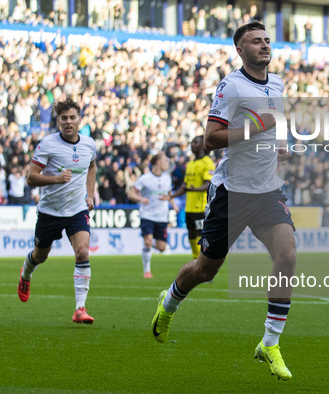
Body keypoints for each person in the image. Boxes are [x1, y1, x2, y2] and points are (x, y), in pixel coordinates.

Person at [151, 22, 296, 381]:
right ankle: (168, 302)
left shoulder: (276, 83)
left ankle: (270, 343)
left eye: (266, 40)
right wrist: (256, 127)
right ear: (240, 50)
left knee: (287, 256)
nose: (264, 45)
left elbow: (274, 121)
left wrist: (279, 143)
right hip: (231, 193)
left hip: (266, 191)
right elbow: (211, 138)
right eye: (255, 41)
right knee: (206, 270)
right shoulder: (231, 85)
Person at [17, 98, 98, 324]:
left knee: (83, 252)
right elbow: (31, 178)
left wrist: (89, 194)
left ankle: (80, 308)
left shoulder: (89, 144)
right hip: (50, 211)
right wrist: (56, 179)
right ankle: (26, 274)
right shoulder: (48, 144)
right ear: (58, 121)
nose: (68, 122)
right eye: (64, 118)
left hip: (77, 209)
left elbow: (92, 166)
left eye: (72, 117)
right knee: (40, 256)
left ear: (79, 119)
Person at [127, 152, 178, 278]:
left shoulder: (167, 178)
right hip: (147, 215)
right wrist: (141, 199)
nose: (167, 163)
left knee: (161, 247)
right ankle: (147, 271)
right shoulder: (145, 178)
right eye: (165, 160)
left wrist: (174, 205)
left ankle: (148, 246)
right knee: (148, 242)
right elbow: (131, 194)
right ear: (158, 162)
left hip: (162, 216)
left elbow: (169, 194)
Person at [171, 135, 215, 260]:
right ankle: (196, 259)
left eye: (195, 142)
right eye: (192, 142)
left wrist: (194, 189)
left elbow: (208, 184)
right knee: (191, 234)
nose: (192, 144)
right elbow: (184, 187)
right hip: (189, 206)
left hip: (201, 206)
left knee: (201, 235)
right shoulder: (190, 164)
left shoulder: (208, 162)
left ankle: (203, 262)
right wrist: (171, 195)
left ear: (203, 145)